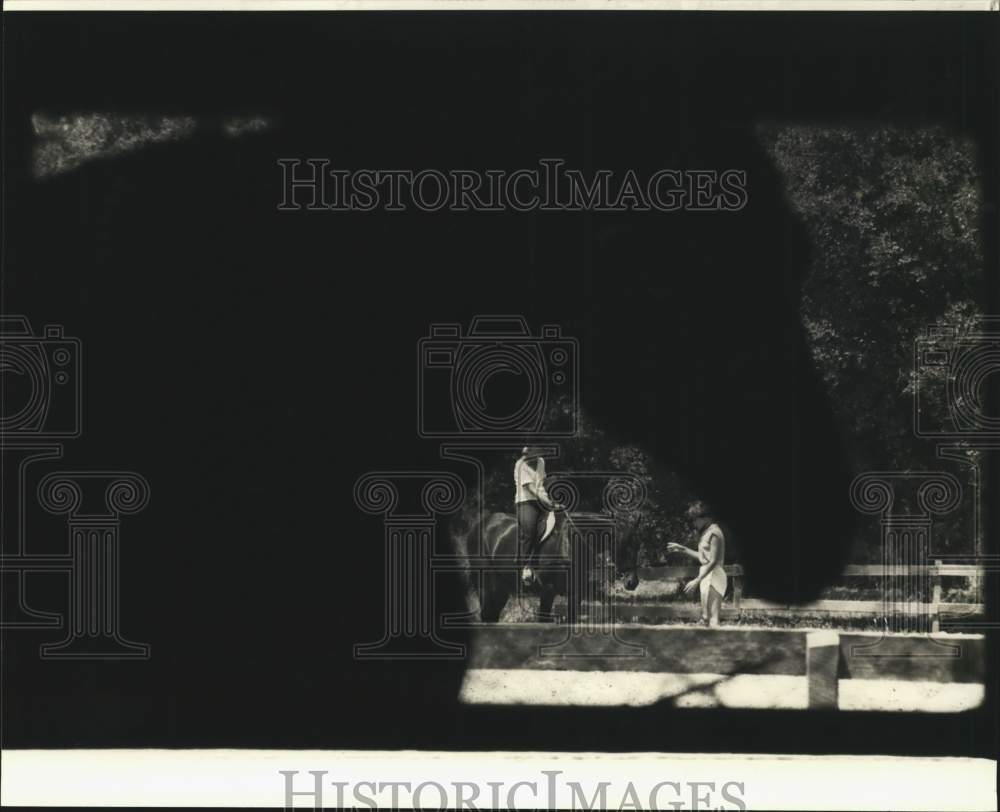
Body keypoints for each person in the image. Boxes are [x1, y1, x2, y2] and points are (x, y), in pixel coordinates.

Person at [667, 501, 727, 627]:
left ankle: (721, 645)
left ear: (705, 518)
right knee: (705, 618)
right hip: (706, 574)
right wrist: (682, 549)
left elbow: (713, 561)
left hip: (714, 574)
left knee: (713, 620)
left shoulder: (715, 532)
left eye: (695, 520)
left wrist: (697, 580)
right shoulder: (706, 533)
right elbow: (703, 557)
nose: (693, 523)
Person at [514, 446, 562, 586]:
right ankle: (525, 567)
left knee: (557, 525)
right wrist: (550, 503)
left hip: (542, 499)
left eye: (530, 455)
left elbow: (542, 483)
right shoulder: (520, 465)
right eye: (525, 455)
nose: (526, 458)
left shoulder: (541, 462)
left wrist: (553, 489)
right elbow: (532, 489)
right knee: (530, 530)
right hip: (525, 501)